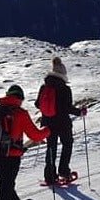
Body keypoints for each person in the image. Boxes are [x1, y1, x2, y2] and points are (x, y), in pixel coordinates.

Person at [36, 56, 87, 185]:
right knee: (67, 144)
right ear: (63, 74)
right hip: (63, 123)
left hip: (47, 122)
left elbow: (37, 104)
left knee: (51, 148)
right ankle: (64, 172)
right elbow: (67, 108)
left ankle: (49, 176)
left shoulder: (44, 87)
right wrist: (79, 112)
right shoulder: (65, 89)